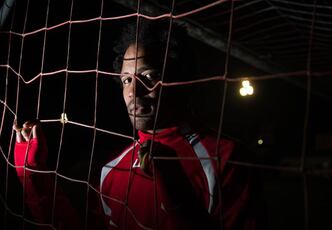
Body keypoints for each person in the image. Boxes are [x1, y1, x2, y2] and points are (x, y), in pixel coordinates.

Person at [13, 18, 265, 229]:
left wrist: (179, 202)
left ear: (180, 79)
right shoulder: (112, 169)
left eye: (148, 76)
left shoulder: (226, 159)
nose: (134, 90)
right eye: (125, 80)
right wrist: (33, 177)